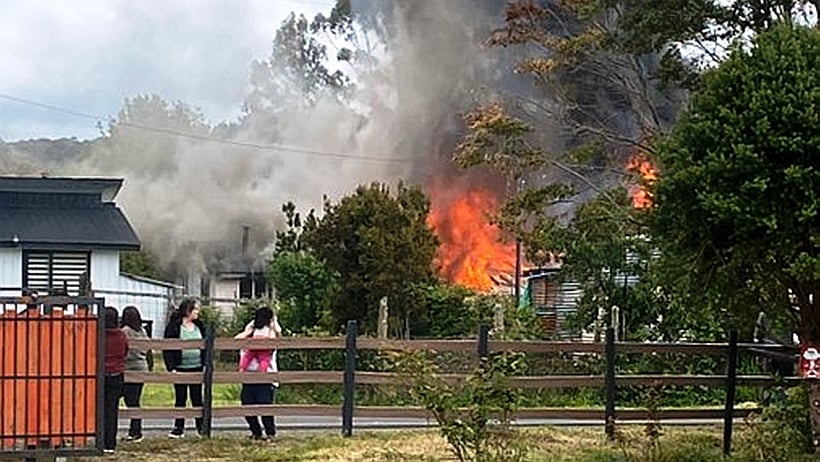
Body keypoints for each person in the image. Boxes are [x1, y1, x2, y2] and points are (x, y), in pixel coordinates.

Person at [234, 306, 281, 440]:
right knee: (247, 406)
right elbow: (235, 340)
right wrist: (248, 331)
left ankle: (270, 433)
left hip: (265, 377)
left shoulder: (271, 333)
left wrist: (273, 326)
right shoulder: (250, 332)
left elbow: (273, 343)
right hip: (248, 376)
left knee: (265, 406)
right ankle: (256, 432)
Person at [162, 299, 206, 438]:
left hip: (197, 367)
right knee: (180, 398)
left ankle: (201, 427)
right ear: (188, 311)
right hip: (180, 367)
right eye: (195, 310)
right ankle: (178, 427)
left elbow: (206, 345)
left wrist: (205, 364)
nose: (198, 312)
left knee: (197, 398)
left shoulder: (200, 326)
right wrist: (171, 367)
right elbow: (167, 348)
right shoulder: (174, 326)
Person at [120, 305, 153, 443]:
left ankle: (135, 432)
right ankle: (136, 431)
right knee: (135, 400)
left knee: (130, 401)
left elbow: (123, 350)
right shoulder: (142, 331)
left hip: (129, 368)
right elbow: (149, 350)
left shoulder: (125, 331)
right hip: (142, 367)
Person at [103, 306, 128, 454]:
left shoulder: (98, 334)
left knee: (99, 409)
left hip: (100, 376)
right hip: (117, 375)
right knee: (112, 410)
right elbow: (125, 351)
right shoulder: (120, 335)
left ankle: (99, 439)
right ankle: (110, 444)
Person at [238, 308, 275, 372]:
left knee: (247, 356)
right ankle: (262, 371)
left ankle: (242, 368)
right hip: (264, 344)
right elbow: (273, 338)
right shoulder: (268, 326)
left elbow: (248, 328)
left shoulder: (256, 325)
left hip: (254, 342)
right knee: (264, 359)